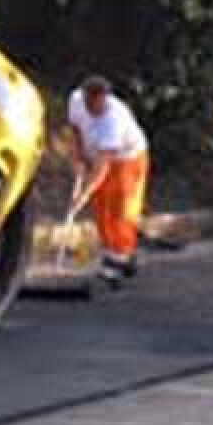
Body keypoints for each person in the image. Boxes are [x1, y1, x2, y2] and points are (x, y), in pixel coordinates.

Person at [67, 76, 150, 288]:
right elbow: (75, 131)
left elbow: (102, 167)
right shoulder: (75, 101)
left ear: (106, 98)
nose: (93, 108)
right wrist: (77, 159)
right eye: (89, 102)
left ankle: (119, 260)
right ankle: (117, 253)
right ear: (84, 96)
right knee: (101, 209)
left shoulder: (113, 121)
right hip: (97, 154)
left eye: (98, 103)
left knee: (122, 210)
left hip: (128, 158)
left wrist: (82, 196)